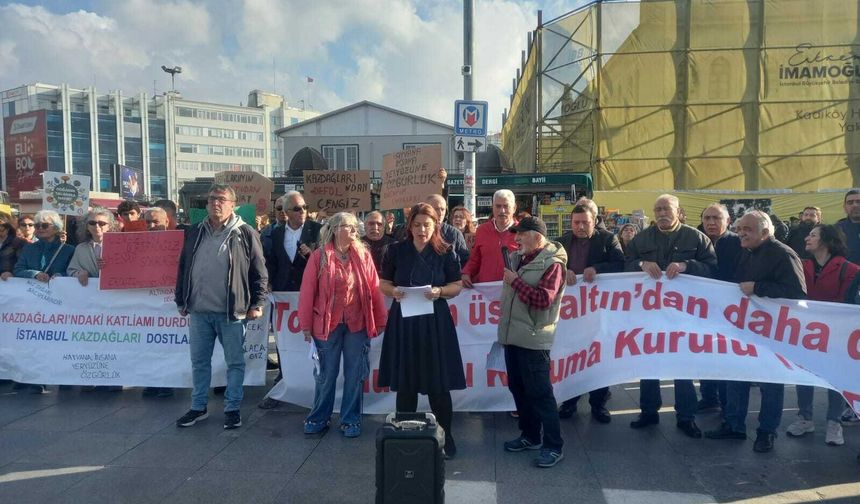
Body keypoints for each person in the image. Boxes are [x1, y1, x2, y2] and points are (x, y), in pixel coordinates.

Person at [705, 210, 806, 453]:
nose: (741, 233)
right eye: (739, 229)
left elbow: (797, 293)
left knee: (770, 384)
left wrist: (758, 287)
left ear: (765, 231)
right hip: (745, 328)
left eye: (746, 229)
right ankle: (734, 425)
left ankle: (766, 432)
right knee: (736, 376)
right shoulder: (746, 251)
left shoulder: (783, 253)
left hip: (772, 332)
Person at [174, 184, 268, 430]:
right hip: (199, 312)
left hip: (232, 313)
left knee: (235, 363)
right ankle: (198, 407)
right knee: (199, 362)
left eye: (222, 199)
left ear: (233, 204)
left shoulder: (245, 233)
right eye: (212, 198)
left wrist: (257, 303)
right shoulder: (194, 231)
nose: (216, 203)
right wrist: (181, 299)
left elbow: (259, 272)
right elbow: (184, 267)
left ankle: (232, 408)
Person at [624, 194, 717, 438]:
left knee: (682, 366)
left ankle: (686, 417)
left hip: (683, 316)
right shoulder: (642, 238)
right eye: (657, 209)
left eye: (666, 209)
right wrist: (641, 265)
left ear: (678, 211)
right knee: (648, 364)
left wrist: (688, 265)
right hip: (649, 314)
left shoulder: (696, 238)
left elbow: (712, 268)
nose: (661, 213)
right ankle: (648, 412)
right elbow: (625, 265)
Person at [378, 202, 465, 459]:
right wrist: (392, 291)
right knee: (406, 384)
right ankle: (406, 436)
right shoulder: (395, 251)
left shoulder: (446, 252)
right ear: (410, 226)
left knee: (438, 384)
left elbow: (457, 285)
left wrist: (440, 292)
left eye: (427, 225)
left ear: (435, 225)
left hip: (435, 323)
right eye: (417, 225)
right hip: (404, 322)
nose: (421, 230)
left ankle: (446, 436)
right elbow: (383, 282)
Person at [298, 212, 387, 438]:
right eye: (350, 226)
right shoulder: (319, 257)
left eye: (356, 227)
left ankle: (350, 419)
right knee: (326, 374)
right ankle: (319, 417)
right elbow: (308, 292)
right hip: (327, 325)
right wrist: (306, 325)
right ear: (336, 229)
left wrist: (380, 319)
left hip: (357, 323)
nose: (355, 230)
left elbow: (374, 288)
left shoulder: (363, 255)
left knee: (355, 374)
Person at [498, 216, 567, 468]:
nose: (516, 239)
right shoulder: (520, 258)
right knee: (518, 388)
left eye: (522, 234)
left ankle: (553, 445)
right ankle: (530, 435)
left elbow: (543, 300)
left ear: (537, 236)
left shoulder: (553, 264)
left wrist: (514, 281)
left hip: (535, 338)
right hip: (513, 336)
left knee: (540, 394)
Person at [784, 224, 859, 446]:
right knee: (804, 375)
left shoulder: (851, 270)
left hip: (836, 335)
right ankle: (805, 417)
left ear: (827, 241)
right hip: (805, 334)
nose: (807, 238)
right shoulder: (801, 265)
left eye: (813, 235)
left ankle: (834, 422)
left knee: (836, 379)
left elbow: (848, 303)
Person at [556, 200, 624, 423]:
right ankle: (569, 401)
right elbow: (550, 264)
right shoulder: (561, 242)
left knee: (598, 356)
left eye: (585, 222)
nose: (580, 226)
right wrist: (563, 269)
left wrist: (597, 269)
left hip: (597, 310)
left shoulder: (608, 240)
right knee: (571, 355)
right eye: (576, 222)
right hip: (571, 313)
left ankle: (598, 404)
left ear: (594, 222)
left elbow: (620, 264)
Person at [697, 203, 743, 413]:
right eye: (707, 218)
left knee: (725, 359)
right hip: (700, 308)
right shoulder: (696, 239)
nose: (711, 223)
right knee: (703, 353)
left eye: (716, 218)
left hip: (729, 310)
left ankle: (727, 406)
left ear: (728, 221)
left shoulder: (737, 242)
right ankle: (708, 397)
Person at [141, 207, 176, 398]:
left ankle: (169, 382)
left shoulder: (179, 242)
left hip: (170, 303)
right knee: (149, 344)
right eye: (148, 222)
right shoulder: (136, 243)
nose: (152, 226)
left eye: (156, 222)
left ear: (167, 222)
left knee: (169, 344)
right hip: (146, 304)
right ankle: (152, 381)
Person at [462, 189, 519, 287]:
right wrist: (466, 273)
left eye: (506, 206)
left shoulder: (522, 232)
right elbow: (475, 258)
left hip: (512, 291)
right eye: (498, 206)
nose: (502, 211)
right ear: (492, 207)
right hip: (485, 291)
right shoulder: (482, 230)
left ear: (514, 208)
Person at [266, 191, 322, 292]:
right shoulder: (277, 233)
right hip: (283, 292)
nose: (302, 211)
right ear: (287, 212)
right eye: (297, 209)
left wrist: (311, 254)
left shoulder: (318, 230)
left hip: (309, 289)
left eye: (305, 207)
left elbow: (325, 260)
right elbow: (272, 262)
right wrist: (268, 282)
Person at [12, 210, 75, 283]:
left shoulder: (69, 250)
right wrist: (35, 274)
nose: (40, 228)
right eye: (37, 226)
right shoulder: (29, 248)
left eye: (45, 225)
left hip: (58, 291)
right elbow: (18, 270)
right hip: (31, 292)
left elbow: (73, 272)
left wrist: (60, 275)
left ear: (56, 228)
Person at [67, 208, 117, 286]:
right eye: (92, 223)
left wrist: (110, 266)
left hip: (113, 292)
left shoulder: (118, 247)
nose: (96, 226)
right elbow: (71, 270)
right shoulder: (80, 248)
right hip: (89, 292)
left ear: (109, 226)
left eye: (102, 223)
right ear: (87, 226)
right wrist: (79, 273)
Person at [426, 194, 470, 267]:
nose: (440, 213)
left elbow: (464, 260)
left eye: (442, 209)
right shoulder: (417, 231)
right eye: (436, 209)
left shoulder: (455, 234)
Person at [836, 188, 860, 264]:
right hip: (847, 274)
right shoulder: (835, 230)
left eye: (859, 202)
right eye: (850, 202)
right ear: (845, 208)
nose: (855, 205)